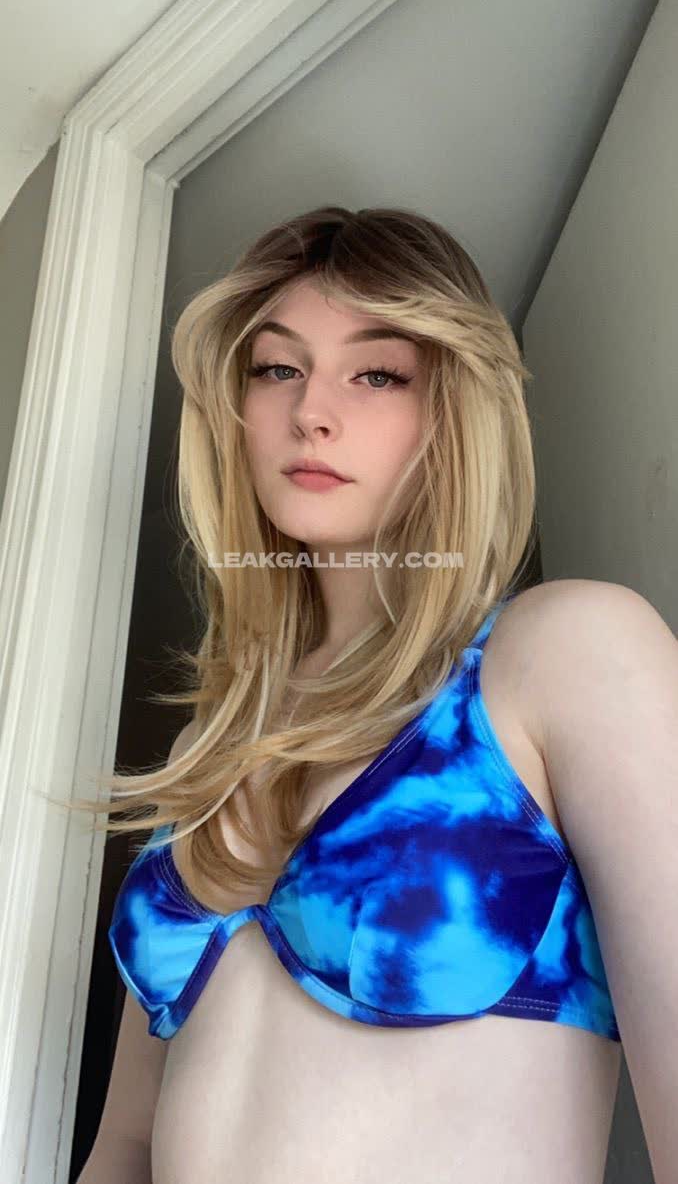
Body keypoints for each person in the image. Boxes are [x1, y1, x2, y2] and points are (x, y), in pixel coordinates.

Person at [71, 206, 677, 1184]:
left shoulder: (561, 654)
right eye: (278, 367)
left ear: (455, 413)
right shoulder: (207, 749)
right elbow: (126, 1144)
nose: (311, 411)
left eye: (378, 373)